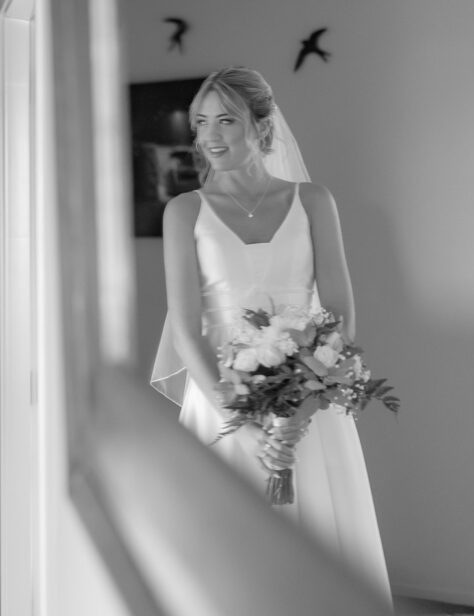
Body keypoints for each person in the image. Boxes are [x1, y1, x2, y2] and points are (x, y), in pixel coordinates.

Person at [150, 67, 392, 602]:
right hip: (220, 409)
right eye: (200, 122)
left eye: (227, 121)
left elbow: (339, 313)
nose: (210, 136)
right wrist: (246, 428)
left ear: (262, 127)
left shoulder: (313, 202)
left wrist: (299, 414)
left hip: (312, 409)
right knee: (225, 569)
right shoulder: (183, 212)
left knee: (319, 548)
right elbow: (188, 330)